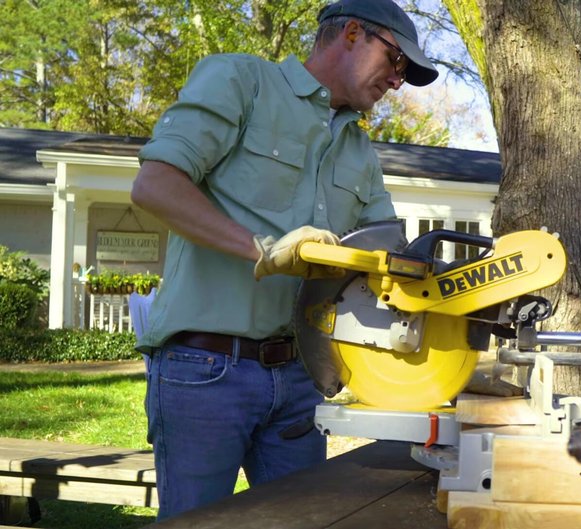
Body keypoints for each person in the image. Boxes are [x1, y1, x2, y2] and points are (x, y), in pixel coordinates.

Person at [130, 0, 438, 520]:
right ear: (353, 34)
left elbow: (388, 256)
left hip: (299, 379)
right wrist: (263, 250)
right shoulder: (241, 81)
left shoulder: (359, 150)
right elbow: (155, 185)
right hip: (205, 370)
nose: (397, 81)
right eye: (395, 61)